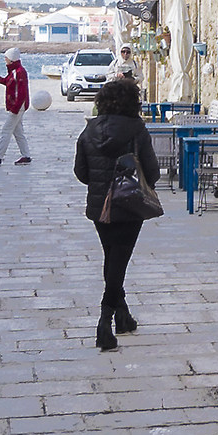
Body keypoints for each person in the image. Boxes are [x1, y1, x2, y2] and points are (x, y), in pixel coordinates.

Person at [73, 72, 159, 350]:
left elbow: (81, 172)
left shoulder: (89, 130)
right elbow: (154, 172)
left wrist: (101, 184)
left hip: (100, 207)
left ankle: (123, 317)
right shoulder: (137, 129)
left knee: (112, 257)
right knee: (118, 261)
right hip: (129, 205)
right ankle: (105, 319)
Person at [0, 47, 32, 165]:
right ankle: (26, 156)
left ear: (11, 59)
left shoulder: (19, 72)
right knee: (18, 132)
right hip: (17, 106)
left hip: (18, 106)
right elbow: (6, 81)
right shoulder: (14, 71)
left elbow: (22, 92)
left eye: (6, 58)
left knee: (6, 130)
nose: (5, 60)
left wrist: (15, 108)